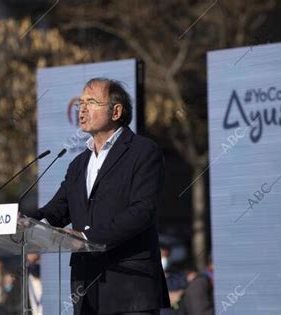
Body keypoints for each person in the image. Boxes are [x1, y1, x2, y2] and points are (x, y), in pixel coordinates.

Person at [28, 77, 170, 314]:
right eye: (80, 103)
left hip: (130, 287)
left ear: (116, 111)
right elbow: (57, 211)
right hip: (86, 290)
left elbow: (141, 212)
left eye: (91, 102)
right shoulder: (78, 164)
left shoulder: (144, 151)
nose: (82, 108)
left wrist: (85, 237)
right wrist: (22, 219)